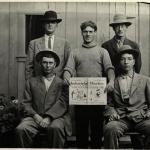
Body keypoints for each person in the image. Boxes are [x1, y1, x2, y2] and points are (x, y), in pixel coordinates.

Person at [63, 20, 115, 148]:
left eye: (90, 32)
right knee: (81, 130)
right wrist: (66, 77)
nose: (88, 34)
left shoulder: (102, 51)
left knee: (97, 130)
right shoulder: (75, 52)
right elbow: (68, 69)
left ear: (95, 33)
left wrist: (111, 81)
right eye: (85, 32)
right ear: (82, 33)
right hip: (81, 97)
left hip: (98, 96)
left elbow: (109, 69)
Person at [15, 50, 71, 148]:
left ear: (55, 65)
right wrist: (35, 116)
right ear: (40, 64)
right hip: (35, 117)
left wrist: (49, 117)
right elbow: (26, 103)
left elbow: (63, 103)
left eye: (50, 63)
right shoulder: (31, 82)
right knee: (21, 129)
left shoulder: (62, 83)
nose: (48, 65)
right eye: (45, 62)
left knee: (56, 128)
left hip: (55, 118)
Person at [104, 45, 150, 149]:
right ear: (119, 62)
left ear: (134, 62)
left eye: (129, 59)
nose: (126, 62)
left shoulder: (145, 80)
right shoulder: (113, 82)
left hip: (141, 118)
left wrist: (148, 112)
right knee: (110, 128)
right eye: (123, 59)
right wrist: (112, 113)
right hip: (121, 119)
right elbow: (108, 105)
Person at [25, 10, 71, 80]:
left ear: (56, 25)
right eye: (47, 22)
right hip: (39, 83)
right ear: (43, 24)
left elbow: (69, 65)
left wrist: (64, 80)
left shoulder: (65, 44)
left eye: (53, 22)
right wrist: (31, 84)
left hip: (58, 84)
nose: (50, 24)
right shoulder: (33, 43)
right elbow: (29, 67)